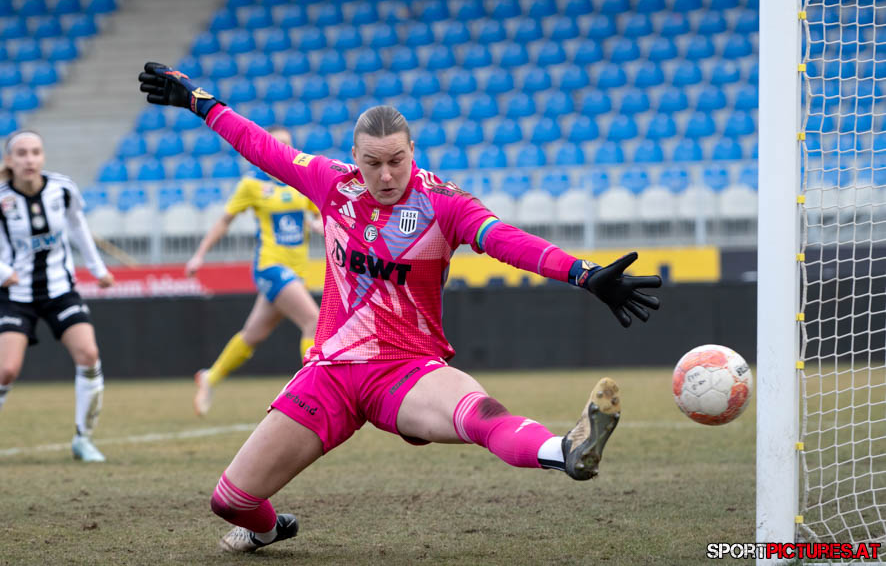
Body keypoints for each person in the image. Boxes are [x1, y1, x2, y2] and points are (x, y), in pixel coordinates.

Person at [138, 63, 661, 552]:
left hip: (408, 369)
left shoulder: (443, 203)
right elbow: (259, 147)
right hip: (332, 374)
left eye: (397, 161)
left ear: (412, 150)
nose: (386, 175)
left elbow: (504, 240)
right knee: (230, 502)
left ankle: (565, 452)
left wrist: (584, 273)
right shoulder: (331, 184)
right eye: (373, 163)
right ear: (355, 158)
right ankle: (269, 531)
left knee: (481, 416)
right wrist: (200, 102)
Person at [186, 125, 321, 416]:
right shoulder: (252, 185)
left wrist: (323, 228)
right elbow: (225, 220)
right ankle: (312, 394)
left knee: (252, 335)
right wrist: (199, 255)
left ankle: (210, 377)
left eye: (289, 145)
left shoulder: (302, 183)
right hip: (270, 268)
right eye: (278, 144)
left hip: (295, 272)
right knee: (313, 320)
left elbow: (319, 219)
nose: (285, 150)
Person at [0, 129, 115, 462]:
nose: (29, 159)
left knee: (89, 354)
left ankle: (83, 439)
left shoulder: (63, 189)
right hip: (15, 295)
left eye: (35, 152)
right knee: (6, 371)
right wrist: (5, 272)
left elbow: (78, 226)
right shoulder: (2, 198)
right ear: (10, 160)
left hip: (60, 290)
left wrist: (98, 270)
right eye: (21, 153)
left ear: (43, 156)